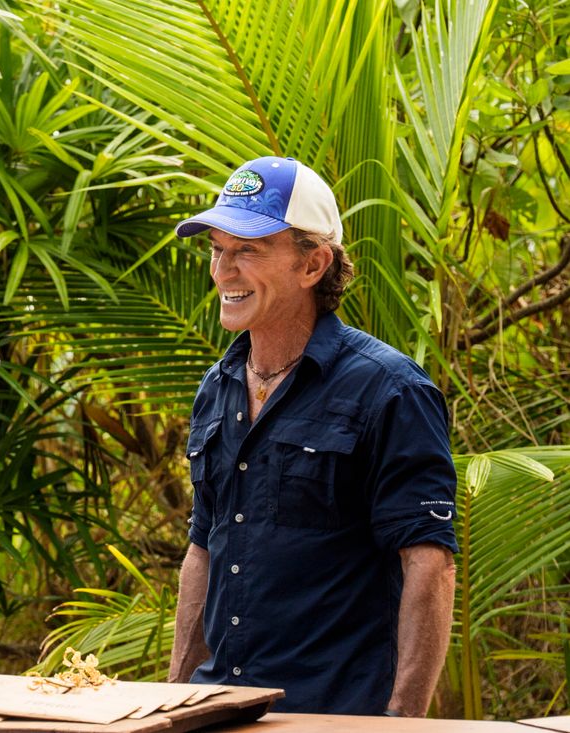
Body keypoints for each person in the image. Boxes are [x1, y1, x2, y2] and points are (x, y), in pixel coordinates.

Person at [167, 156, 457, 716]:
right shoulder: (217, 386)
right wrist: (175, 701)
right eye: (217, 250)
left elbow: (429, 563)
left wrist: (401, 724)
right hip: (218, 707)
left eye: (248, 250)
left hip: (336, 714)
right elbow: (203, 549)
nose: (223, 271)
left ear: (313, 264)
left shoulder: (390, 389)